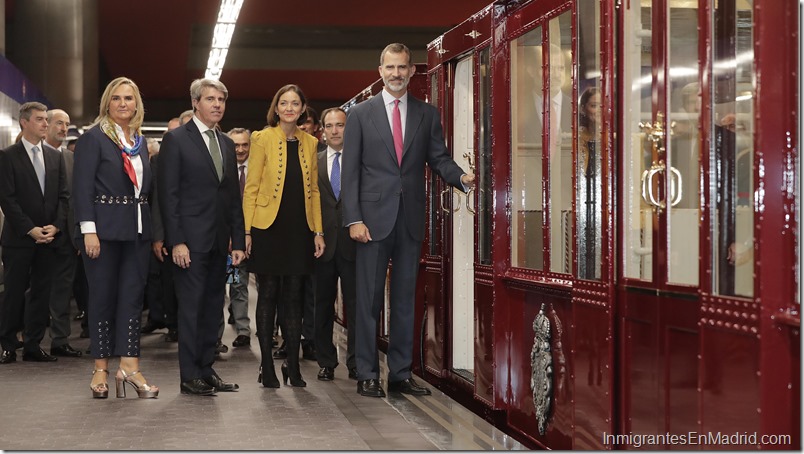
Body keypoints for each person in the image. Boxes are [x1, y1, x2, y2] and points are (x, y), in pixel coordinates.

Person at [342, 43, 475, 398]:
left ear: (411, 72)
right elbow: (351, 172)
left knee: (404, 301)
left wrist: (461, 178)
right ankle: (367, 373)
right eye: (390, 67)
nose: (396, 74)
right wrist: (353, 218)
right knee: (368, 301)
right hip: (370, 222)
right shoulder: (360, 114)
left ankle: (400, 374)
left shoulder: (427, 114)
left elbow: (439, 158)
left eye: (402, 68)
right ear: (380, 69)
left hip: (410, 220)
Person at [72, 77, 159, 399]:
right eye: (117, 98)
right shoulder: (93, 139)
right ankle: (100, 368)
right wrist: (88, 231)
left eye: (129, 98)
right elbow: (81, 188)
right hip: (103, 233)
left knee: (133, 301)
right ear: (107, 103)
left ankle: (130, 367)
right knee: (102, 300)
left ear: (137, 104)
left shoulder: (139, 141)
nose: (123, 103)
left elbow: (145, 190)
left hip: (137, 232)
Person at [158, 78, 245, 396]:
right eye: (211, 99)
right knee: (191, 308)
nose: (218, 104)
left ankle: (207, 369)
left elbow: (232, 196)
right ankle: (189, 374)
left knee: (213, 307)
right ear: (196, 102)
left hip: (219, 242)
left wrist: (237, 239)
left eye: (222, 99)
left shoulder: (224, 143)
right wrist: (176, 240)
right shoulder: (177, 140)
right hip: (189, 244)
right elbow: (169, 195)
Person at [242, 84, 325, 388]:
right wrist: (247, 230)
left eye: (295, 104)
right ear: (276, 108)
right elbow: (251, 187)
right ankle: (267, 365)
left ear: (303, 108)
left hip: (299, 229)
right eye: (283, 103)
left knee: (294, 299)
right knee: (268, 296)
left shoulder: (311, 142)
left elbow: (314, 190)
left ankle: (293, 366)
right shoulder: (261, 138)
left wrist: (317, 230)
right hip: (267, 228)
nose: (289, 108)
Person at [0, 102, 70, 365]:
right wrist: (29, 229)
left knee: (42, 294)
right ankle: (7, 345)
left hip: (49, 238)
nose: (45, 123)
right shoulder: (8, 155)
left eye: (45, 119)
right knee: (14, 293)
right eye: (40, 119)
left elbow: (64, 196)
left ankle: (33, 345)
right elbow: (7, 198)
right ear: (24, 122)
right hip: (19, 239)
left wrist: (57, 225)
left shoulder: (55, 157)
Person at [314, 107, 357, 381]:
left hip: (354, 244)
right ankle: (326, 361)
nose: (334, 130)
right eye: (329, 125)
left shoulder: (360, 160)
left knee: (356, 307)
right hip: (322, 245)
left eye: (339, 125)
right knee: (322, 306)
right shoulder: (314, 162)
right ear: (322, 130)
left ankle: (356, 362)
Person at [42, 108, 83, 358]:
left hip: (66, 235)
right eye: (59, 123)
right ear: (46, 124)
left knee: (62, 291)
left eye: (66, 124)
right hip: (37, 234)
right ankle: (27, 338)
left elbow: (76, 198)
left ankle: (59, 339)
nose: (63, 128)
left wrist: (77, 231)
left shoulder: (70, 159)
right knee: (34, 290)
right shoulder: (32, 156)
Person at [223, 127, 252, 348]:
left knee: (245, 286)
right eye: (235, 145)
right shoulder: (222, 170)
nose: (240, 150)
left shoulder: (258, 171)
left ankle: (248, 331)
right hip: (228, 241)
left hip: (257, 240)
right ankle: (224, 335)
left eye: (245, 145)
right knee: (234, 284)